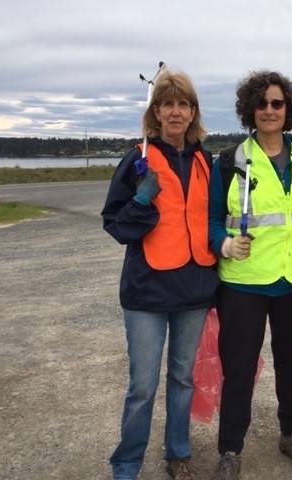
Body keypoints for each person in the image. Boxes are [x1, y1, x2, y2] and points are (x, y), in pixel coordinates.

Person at [207, 70, 292, 480]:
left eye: (277, 103)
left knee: (289, 363)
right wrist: (222, 243)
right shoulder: (229, 162)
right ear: (249, 110)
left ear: (288, 109)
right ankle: (230, 449)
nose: (269, 110)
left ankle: (291, 432)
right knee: (239, 367)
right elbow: (209, 220)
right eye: (261, 103)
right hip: (243, 282)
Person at [101, 69, 218, 480]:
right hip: (147, 291)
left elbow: (214, 219)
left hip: (194, 289)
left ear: (192, 112)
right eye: (167, 104)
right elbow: (114, 224)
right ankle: (127, 462)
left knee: (183, 379)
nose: (175, 111)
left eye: (182, 104)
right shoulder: (139, 159)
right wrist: (141, 199)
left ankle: (178, 453)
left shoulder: (206, 160)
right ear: (156, 112)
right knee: (142, 387)